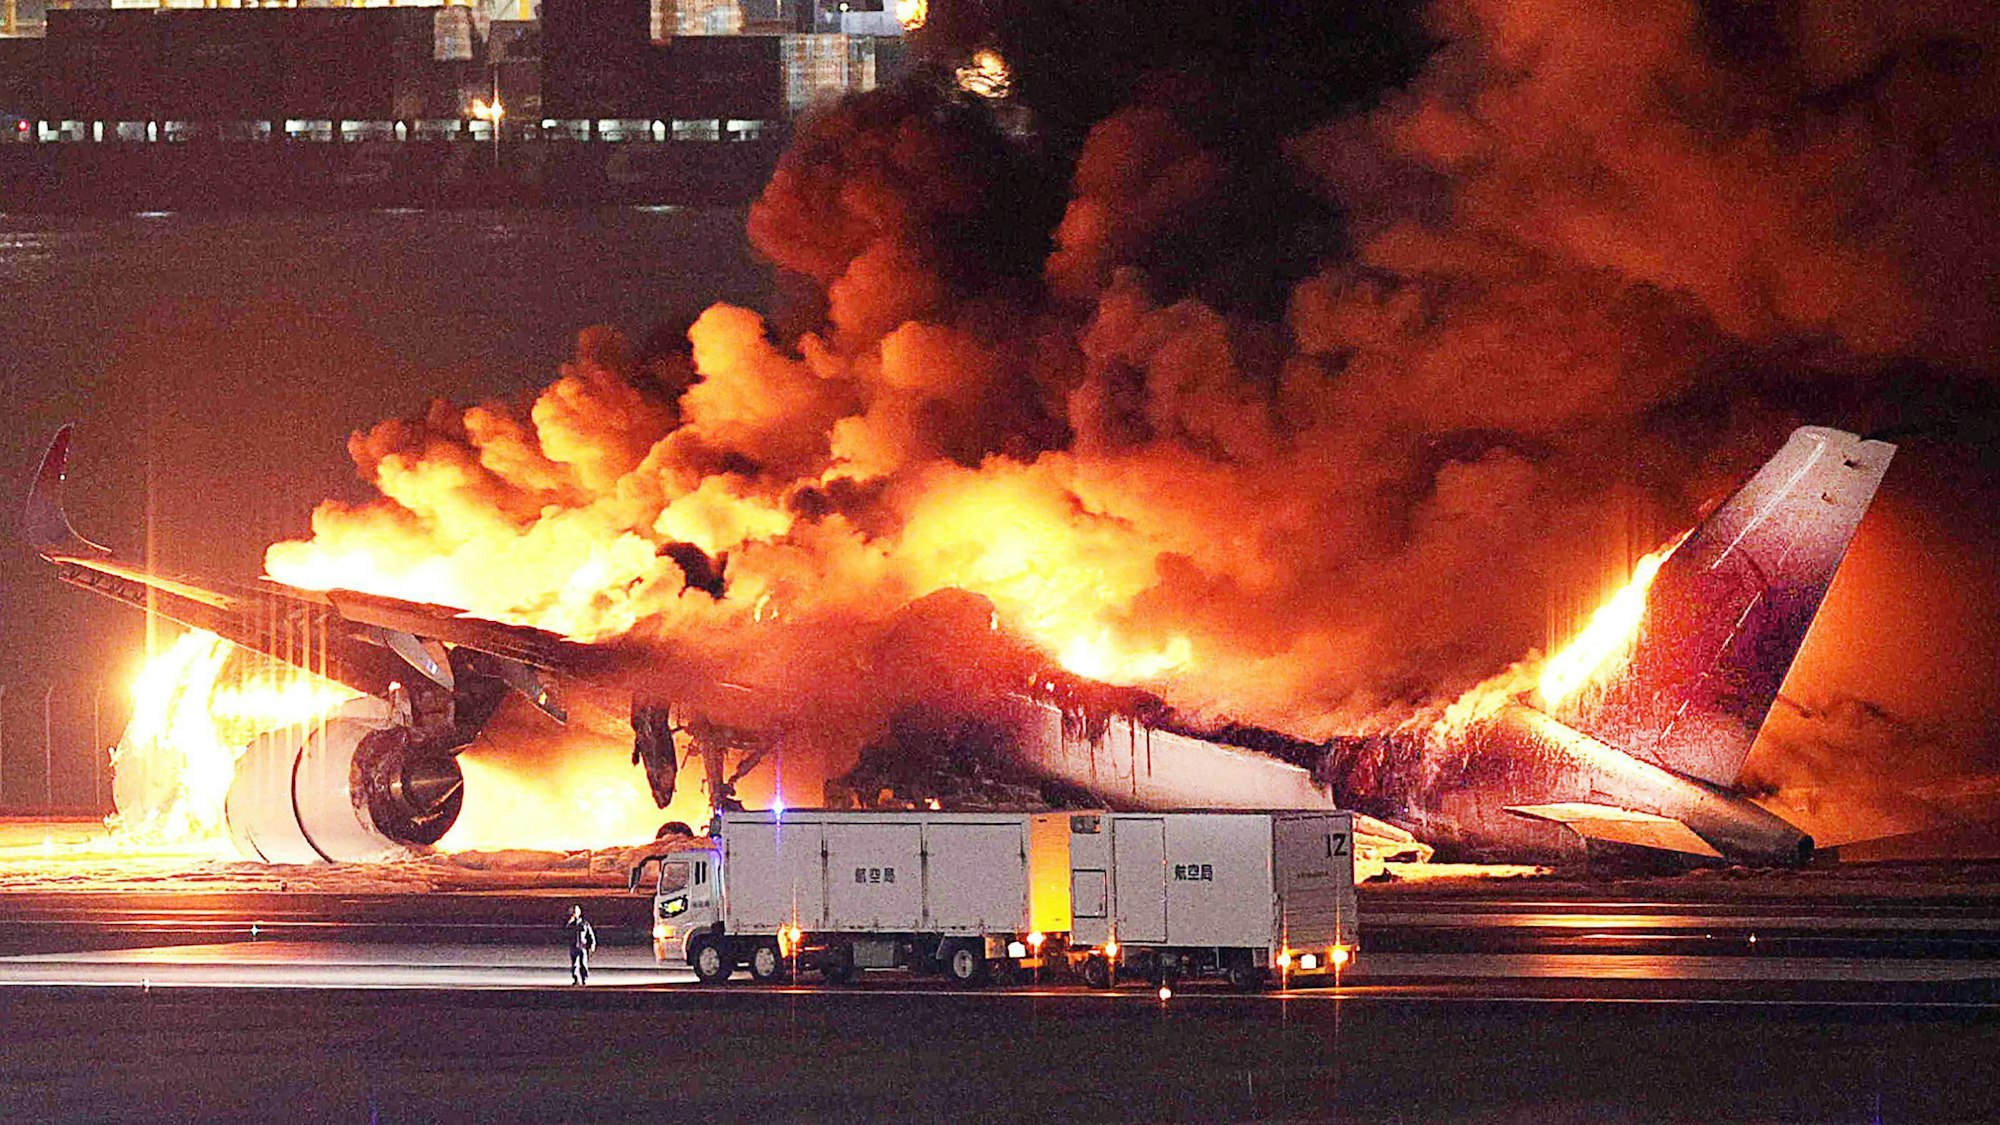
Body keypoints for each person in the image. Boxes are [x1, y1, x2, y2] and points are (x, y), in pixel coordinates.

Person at [565, 904, 596, 986]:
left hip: (582, 947)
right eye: (573, 911)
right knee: (574, 965)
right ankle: (575, 979)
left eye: (576, 911)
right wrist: (569, 922)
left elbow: (590, 935)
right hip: (573, 946)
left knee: (583, 964)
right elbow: (564, 933)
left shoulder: (584, 924)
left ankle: (584, 979)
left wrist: (592, 944)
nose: (574, 913)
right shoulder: (569, 924)